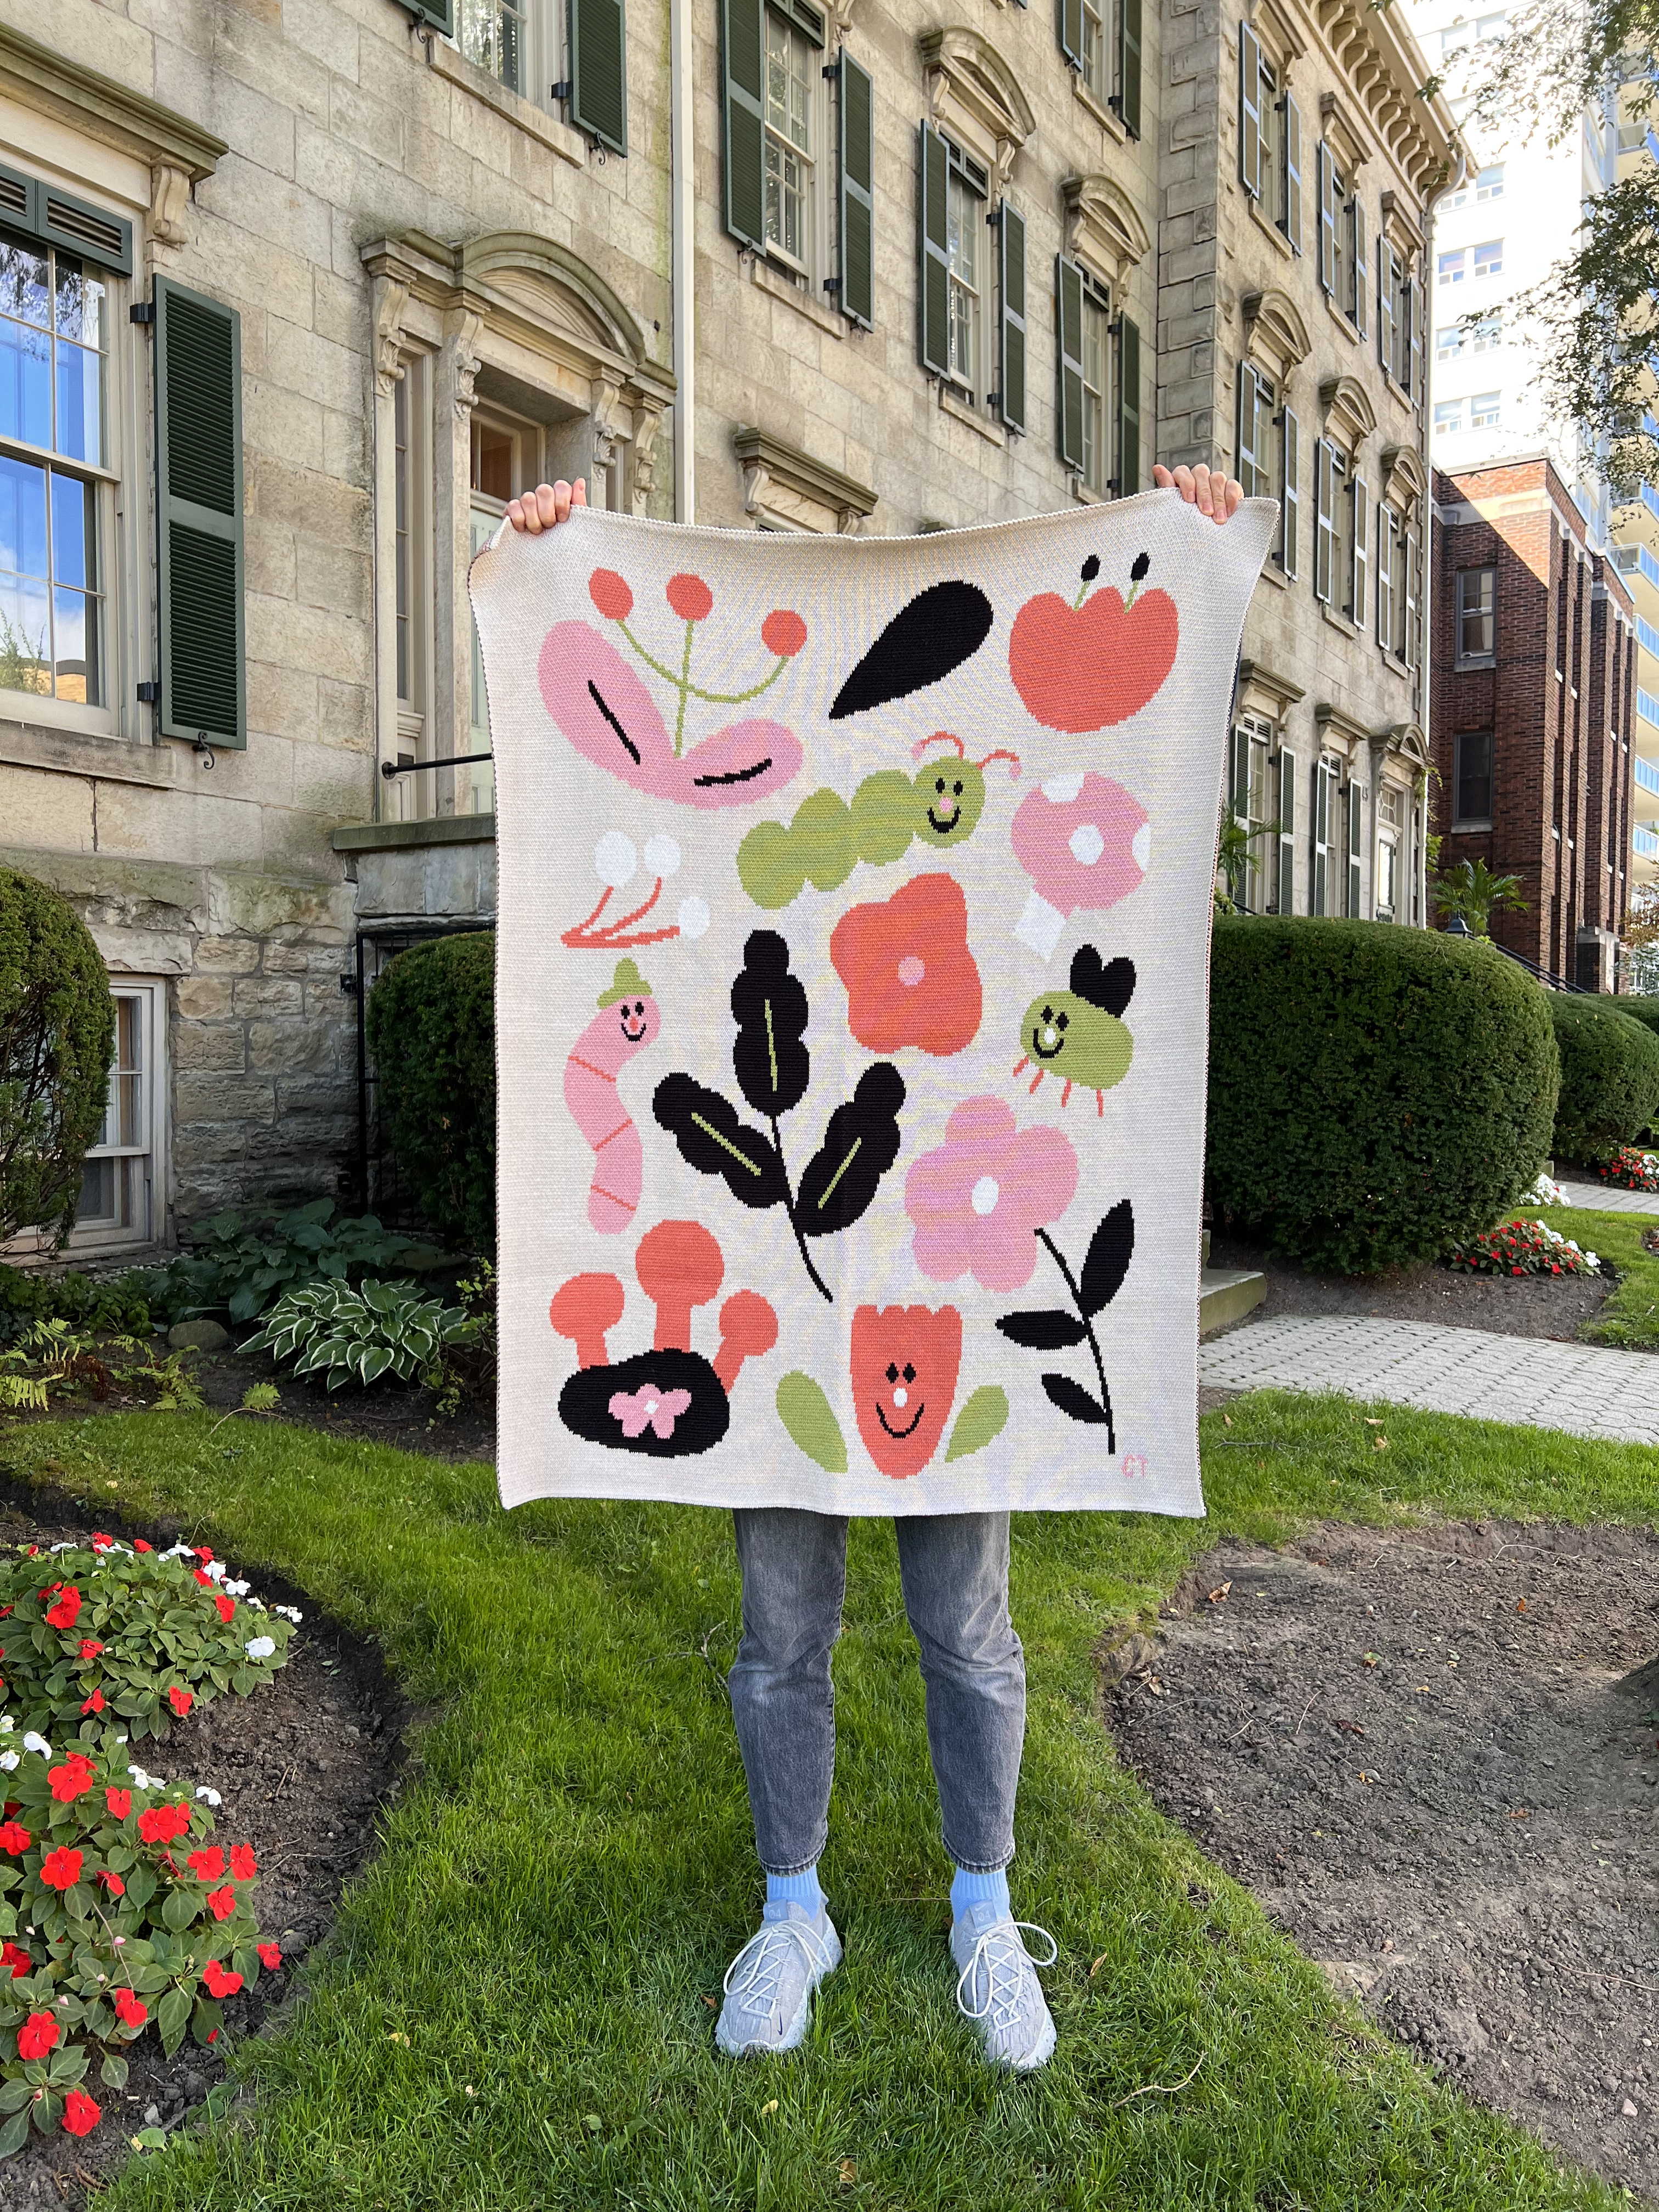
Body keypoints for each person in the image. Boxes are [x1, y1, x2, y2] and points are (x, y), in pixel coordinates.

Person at [505, 458, 1247, 2071]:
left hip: (953, 1288)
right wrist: (555, 560)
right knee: (782, 1632)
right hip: (786, 1296)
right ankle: (797, 1910)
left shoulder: (962, 815)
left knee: (967, 1628)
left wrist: (1179, 531)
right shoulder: (784, 836)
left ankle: (986, 1912)